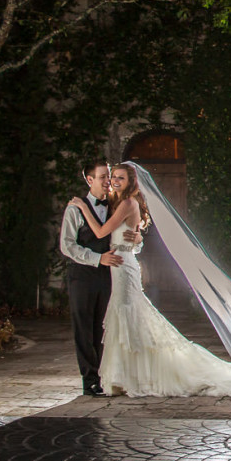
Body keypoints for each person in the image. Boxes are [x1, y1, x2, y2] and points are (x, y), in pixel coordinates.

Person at [68, 164, 231, 398]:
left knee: (127, 315)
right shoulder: (120, 204)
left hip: (122, 267)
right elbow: (126, 238)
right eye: (112, 177)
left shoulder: (127, 203)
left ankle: (133, 375)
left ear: (131, 182)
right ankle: (125, 375)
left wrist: (83, 207)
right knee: (128, 318)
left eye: (120, 178)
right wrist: (135, 239)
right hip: (119, 266)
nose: (114, 181)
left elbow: (102, 233)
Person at [58, 160, 140, 397]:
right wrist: (97, 259)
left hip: (110, 276)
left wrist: (137, 239)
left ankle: (106, 375)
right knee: (83, 329)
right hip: (82, 276)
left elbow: (124, 234)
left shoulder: (116, 204)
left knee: (104, 328)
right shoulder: (75, 208)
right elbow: (67, 246)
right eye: (103, 177)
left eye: (110, 176)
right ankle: (90, 381)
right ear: (89, 180)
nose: (108, 181)